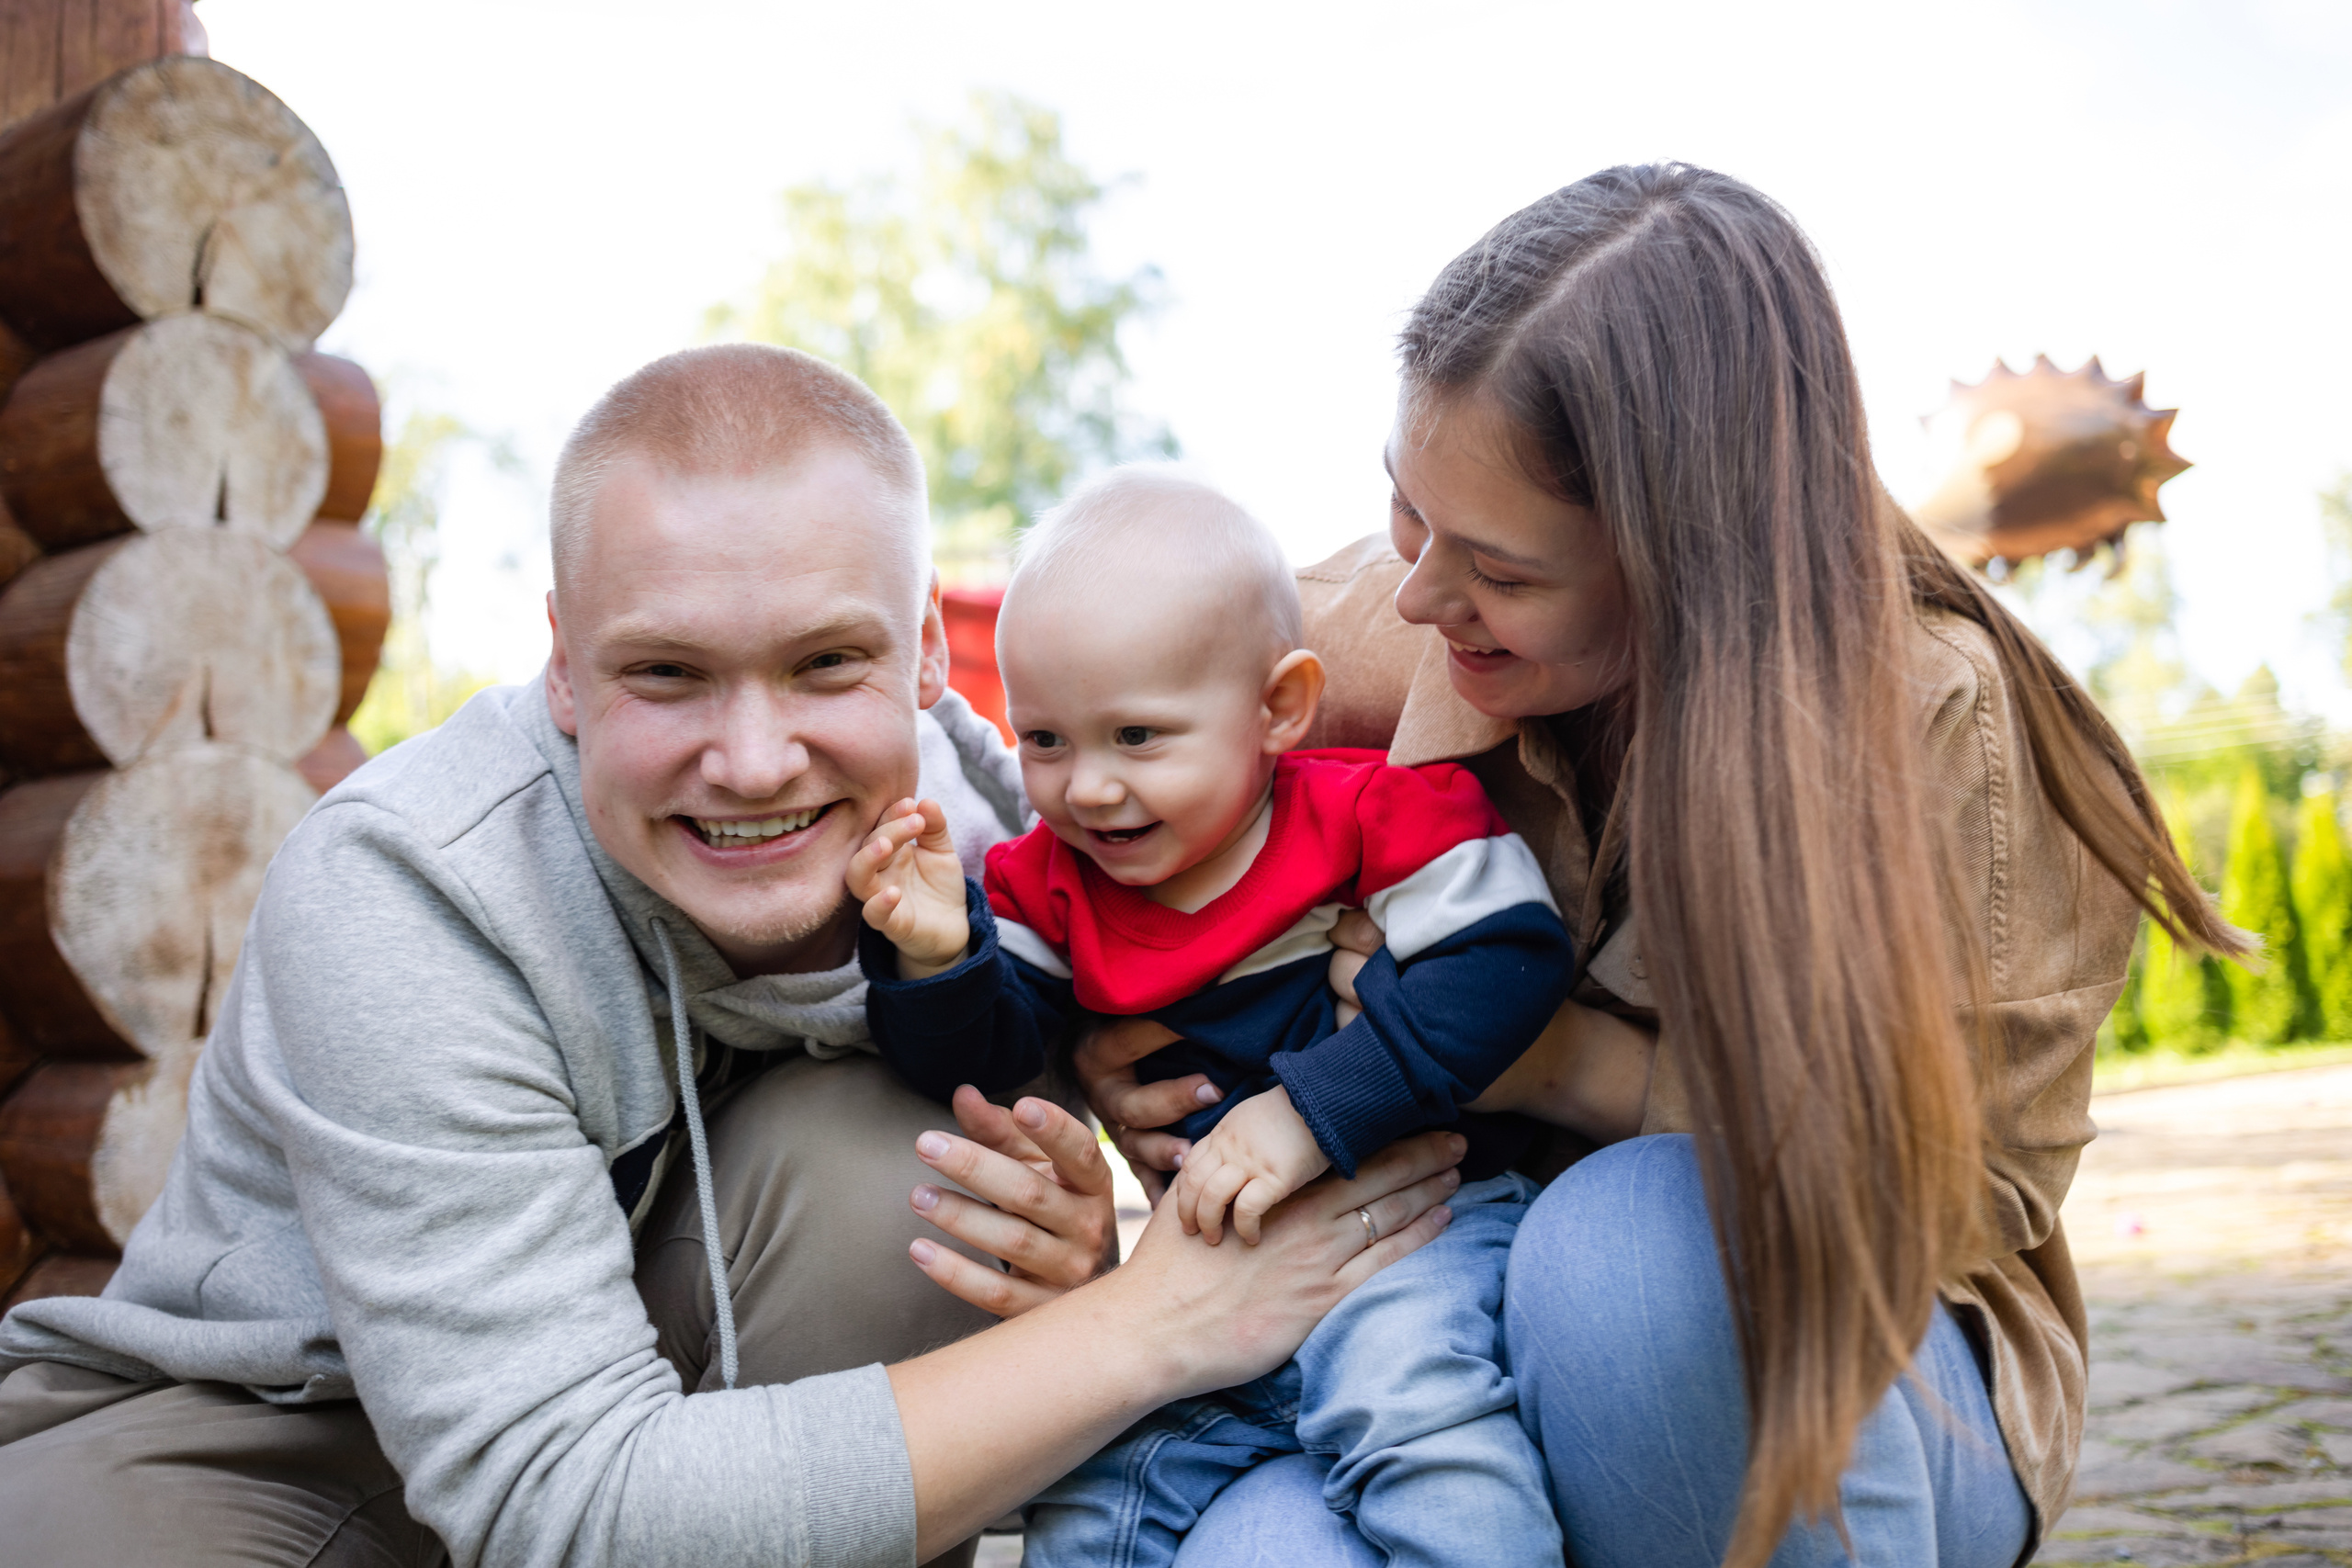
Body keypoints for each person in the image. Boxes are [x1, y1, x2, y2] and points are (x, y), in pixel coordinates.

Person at [0, 344, 1464, 1568]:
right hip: (266, 1431)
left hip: (685, 1357)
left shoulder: (1023, 824)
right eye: (667, 671)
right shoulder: (408, 885)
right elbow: (553, 1492)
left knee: (917, 1160)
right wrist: (1150, 1324)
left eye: (827, 662)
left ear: (924, 662)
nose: (754, 762)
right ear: (565, 665)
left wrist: (1089, 1132)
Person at [1084, 165, 2245, 1568]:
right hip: (1437, 1328)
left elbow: (1970, 1184)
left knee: (1621, 1257)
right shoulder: (1360, 643)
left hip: (1799, 1365)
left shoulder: (1943, 722)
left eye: (1502, 572)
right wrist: (1101, 1034)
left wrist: (1564, 1063)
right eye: (1407, 511)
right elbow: (1081, 779)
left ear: (1687, 557)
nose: (1419, 594)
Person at [850, 467, 1572, 1567]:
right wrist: (937, 960)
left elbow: (1508, 965)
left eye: (1137, 737)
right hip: (1206, 1282)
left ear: (1277, 707)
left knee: (1408, 1407)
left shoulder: (1370, 816)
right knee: (1092, 1490)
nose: (1086, 787)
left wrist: (1305, 1113)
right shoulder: (1050, 883)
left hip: (1413, 1228)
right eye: (1045, 740)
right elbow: (994, 1064)